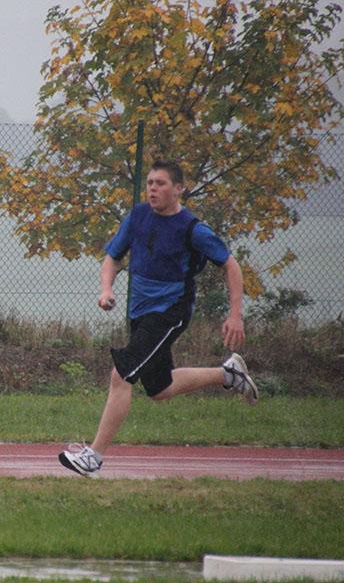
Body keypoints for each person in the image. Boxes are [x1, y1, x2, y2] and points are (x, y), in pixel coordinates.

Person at [58, 159, 258, 478]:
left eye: (160, 183)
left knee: (121, 374)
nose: (153, 188)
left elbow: (230, 265)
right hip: (140, 310)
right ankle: (228, 374)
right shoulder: (137, 217)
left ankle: (93, 457)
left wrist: (236, 315)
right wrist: (106, 289)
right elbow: (113, 256)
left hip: (170, 310)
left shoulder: (193, 228)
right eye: (150, 183)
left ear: (178, 189)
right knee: (159, 388)